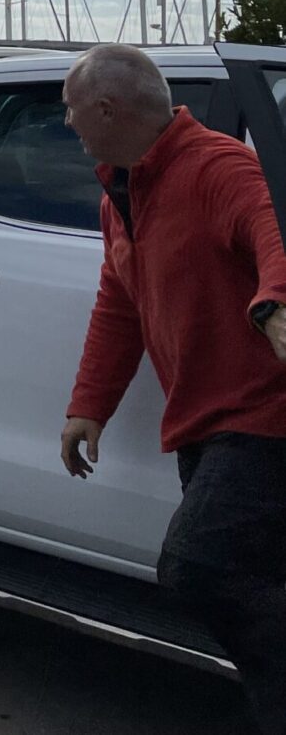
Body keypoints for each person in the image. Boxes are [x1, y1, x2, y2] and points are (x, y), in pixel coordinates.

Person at [58, 43, 286, 724]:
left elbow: (275, 231)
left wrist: (275, 304)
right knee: (257, 588)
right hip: (206, 427)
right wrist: (88, 407)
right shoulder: (122, 191)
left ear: (106, 107)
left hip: (263, 420)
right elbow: (120, 304)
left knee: (200, 568)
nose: (67, 124)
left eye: (71, 110)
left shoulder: (218, 166)